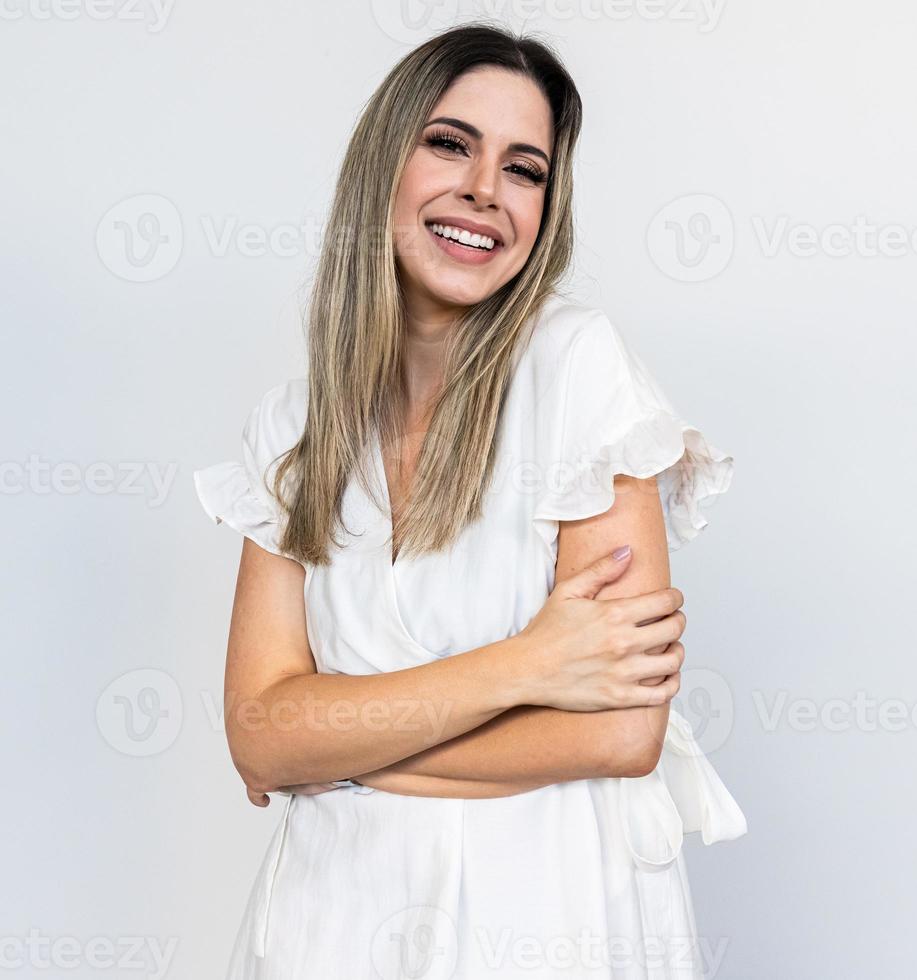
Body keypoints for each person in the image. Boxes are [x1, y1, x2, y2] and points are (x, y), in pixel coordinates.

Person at [193, 22, 747, 980]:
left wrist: (331, 749)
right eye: (450, 143)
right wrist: (527, 664)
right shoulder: (291, 433)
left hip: (546, 919)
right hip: (333, 926)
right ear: (385, 164)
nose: (484, 191)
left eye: (524, 168)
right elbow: (257, 731)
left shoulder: (576, 371)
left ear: (546, 208)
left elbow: (617, 732)